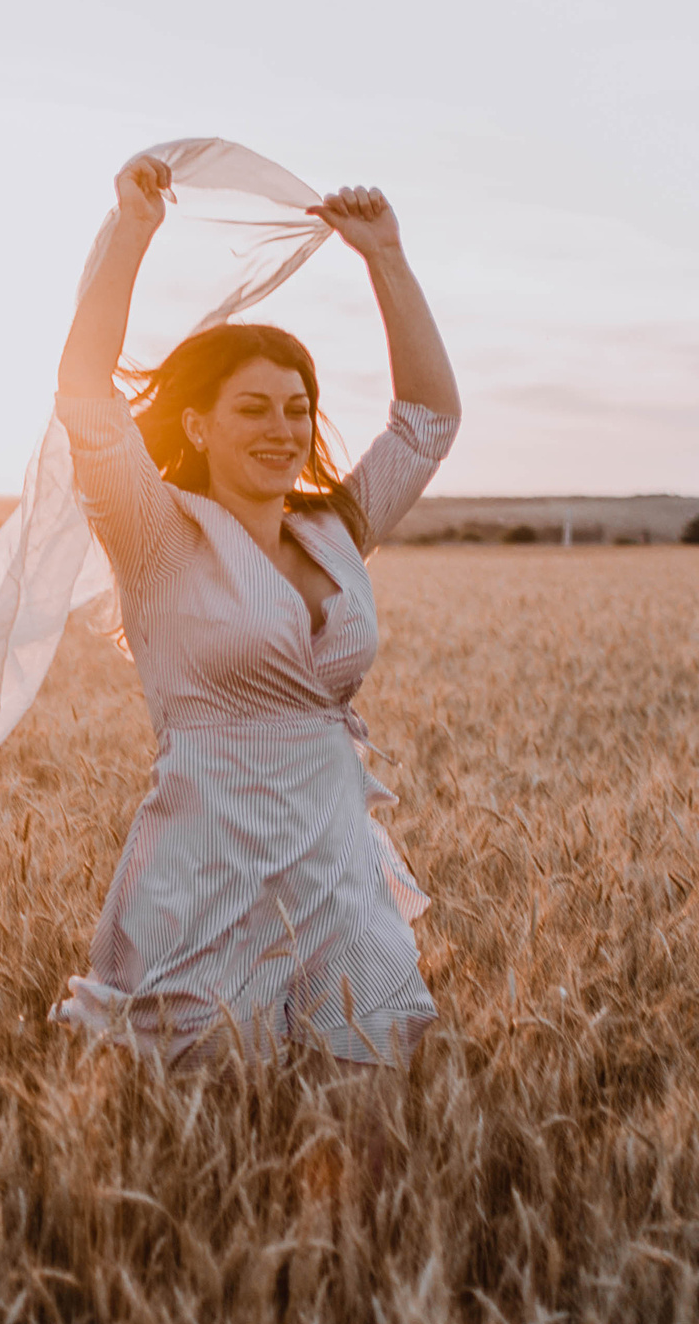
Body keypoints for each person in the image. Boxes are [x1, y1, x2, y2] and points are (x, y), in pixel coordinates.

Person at [50, 157, 462, 1070]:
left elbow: (428, 418)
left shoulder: (336, 529)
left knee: (371, 1069)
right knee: (204, 1090)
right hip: (203, 862)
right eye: (254, 410)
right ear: (197, 425)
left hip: (334, 858)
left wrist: (386, 258)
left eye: (298, 410)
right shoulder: (153, 533)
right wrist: (131, 233)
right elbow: (87, 396)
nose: (283, 430)